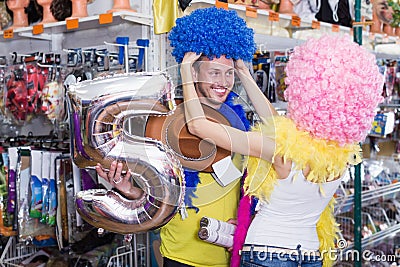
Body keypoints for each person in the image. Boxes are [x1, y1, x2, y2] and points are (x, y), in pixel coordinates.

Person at [181, 34, 384, 267]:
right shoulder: (340, 155)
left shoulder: (277, 148)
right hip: (309, 255)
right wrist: (244, 74)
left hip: (267, 251)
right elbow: (274, 122)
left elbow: (198, 125)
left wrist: (187, 70)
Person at [96, 7, 258, 267]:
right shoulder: (165, 124)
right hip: (179, 256)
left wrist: (247, 221)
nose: (223, 82)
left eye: (229, 73)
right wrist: (127, 189)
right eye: (214, 72)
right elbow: (156, 197)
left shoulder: (241, 126)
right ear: (193, 72)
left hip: (229, 255)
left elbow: (254, 190)